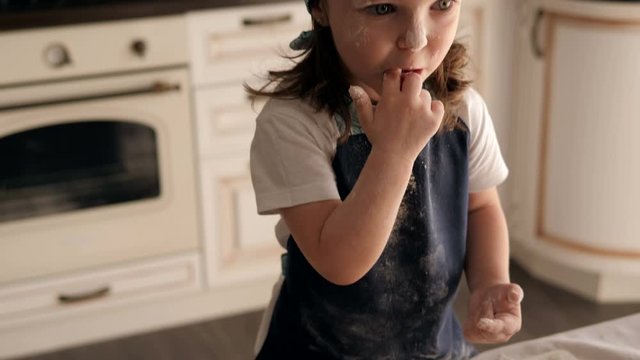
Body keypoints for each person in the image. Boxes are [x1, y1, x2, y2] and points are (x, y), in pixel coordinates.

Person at [247, 0, 524, 358]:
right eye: (382, 8)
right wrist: (394, 152)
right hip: (318, 346)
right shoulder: (293, 125)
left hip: (431, 346)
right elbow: (339, 263)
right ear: (321, 9)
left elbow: (481, 206)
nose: (416, 38)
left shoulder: (463, 109)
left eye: (441, 4)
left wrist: (490, 283)